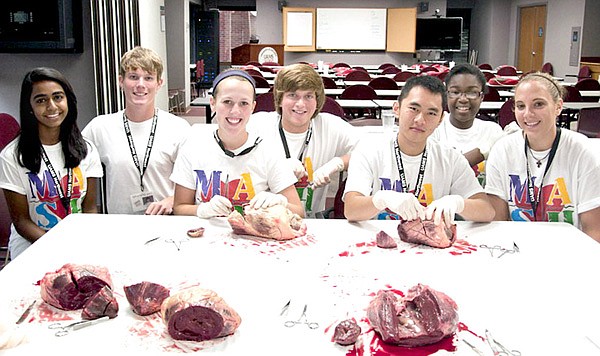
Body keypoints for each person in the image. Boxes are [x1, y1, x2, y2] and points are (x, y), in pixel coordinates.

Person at [343, 75, 495, 224]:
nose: (420, 120)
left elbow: (487, 211)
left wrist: (458, 203)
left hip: (431, 244)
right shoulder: (369, 151)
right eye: (414, 108)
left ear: (441, 119)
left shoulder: (451, 158)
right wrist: (380, 199)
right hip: (382, 241)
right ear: (397, 109)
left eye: (431, 113)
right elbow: (350, 210)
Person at [171, 69, 304, 218]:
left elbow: (299, 211)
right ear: (213, 103)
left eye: (244, 103)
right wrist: (201, 210)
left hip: (254, 238)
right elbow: (179, 207)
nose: (235, 111)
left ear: (253, 107)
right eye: (227, 102)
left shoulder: (269, 149)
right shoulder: (193, 146)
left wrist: (281, 202)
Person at [0, 68, 103, 259]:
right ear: (29, 106)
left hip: (77, 243)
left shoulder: (86, 150)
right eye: (41, 100)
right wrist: (57, 245)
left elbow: (89, 208)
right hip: (32, 246)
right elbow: (21, 220)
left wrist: (84, 243)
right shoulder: (12, 156)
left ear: (68, 101)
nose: (52, 106)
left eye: (58, 97)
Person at [485, 72, 600, 242]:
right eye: (520, 106)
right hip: (517, 250)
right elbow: (497, 222)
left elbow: (593, 230)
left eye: (538, 104)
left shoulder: (582, 151)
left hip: (570, 251)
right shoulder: (503, 150)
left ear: (558, 106)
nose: (528, 114)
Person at [82, 46, 190, 215]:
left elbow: (194, 179)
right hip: (120, 226)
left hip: (165, 223)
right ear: (121, 81)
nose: (141, 85)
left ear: (159, 83)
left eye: (148, 78)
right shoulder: (100, 127)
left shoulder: (178, 128)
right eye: (133, 77)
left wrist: (172, 200)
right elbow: (74, 160)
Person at [249, 63, 359, 217]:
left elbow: (371, 153)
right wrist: (275, 169)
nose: (300, 104)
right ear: (280, 99)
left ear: (317, 101)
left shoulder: (330, 126)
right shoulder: (256, 125)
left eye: (308, 96)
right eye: (292, 95)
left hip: (311, 221)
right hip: (263, 219)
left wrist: (338, 163)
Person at [430, 63, 504, 185]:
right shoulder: (434, 129)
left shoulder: (493, 132)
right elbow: (440, 174)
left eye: (472, 93)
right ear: (446, 95)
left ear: (482, 97)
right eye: (455, 92)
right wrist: (482, 152)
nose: (463, 99)